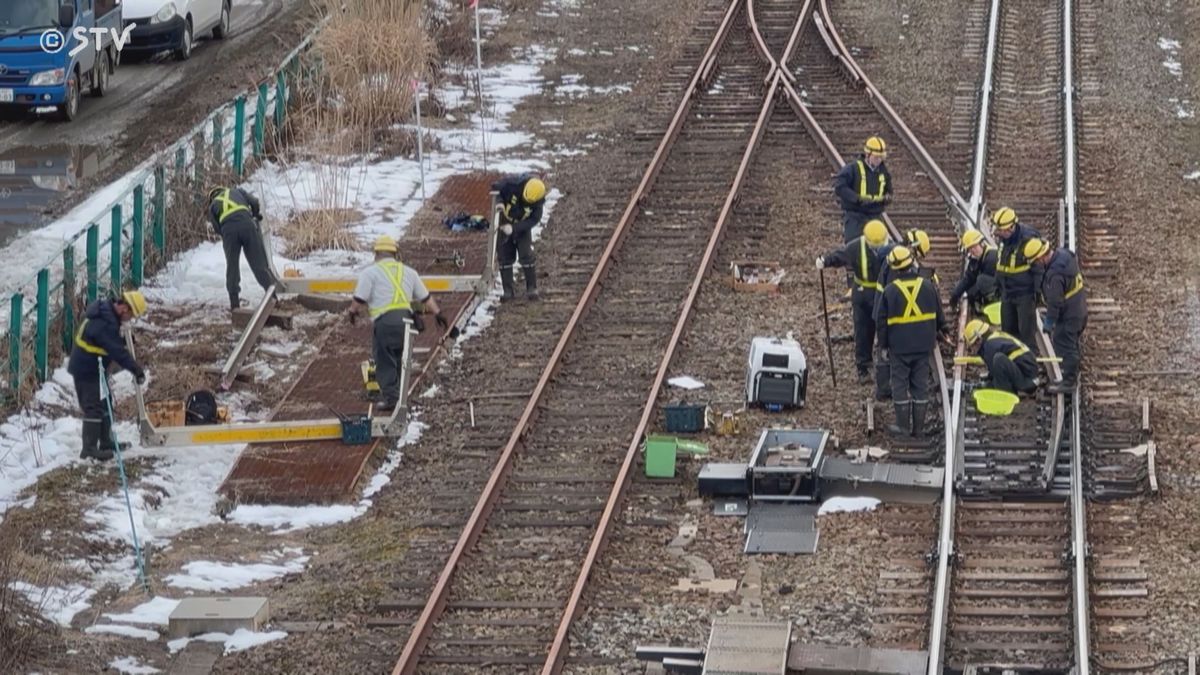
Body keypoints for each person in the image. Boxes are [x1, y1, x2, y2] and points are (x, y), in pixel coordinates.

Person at [346, 236, 450, 413]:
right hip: (407, 321)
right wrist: (438, 313)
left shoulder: (370, 273)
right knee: (402, 359)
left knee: (385, 359)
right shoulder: (409, 272)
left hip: (385, 322)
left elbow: (360, 298)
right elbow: (425, 297)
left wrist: (352, 311)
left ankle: (392, 400)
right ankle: (400, 397)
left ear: (376, 253)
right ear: (395, 253)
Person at [874, 246, 950, 437]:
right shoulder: (928, 285)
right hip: (924, 345)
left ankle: (903, 427)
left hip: (899, 347)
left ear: (894, 268)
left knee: (899, 384)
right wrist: (945, 330)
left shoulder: (890, 291)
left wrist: (883, 346)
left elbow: (881, 322)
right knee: (920, 385)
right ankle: (918, 428)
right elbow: (939, 313)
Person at [67, 291, 148, 462]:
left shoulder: (107, 314)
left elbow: (107, 342)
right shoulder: (106, 323)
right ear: (124, 308)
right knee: (93, 407)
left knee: (106, 402)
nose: (130, 319)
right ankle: (88, 449)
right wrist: (136, 370)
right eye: (131, 315)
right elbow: (117, 351)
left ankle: (105, 441)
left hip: (95, 367)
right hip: (86, 368)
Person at [816, 219, 892, 386]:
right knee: (863, 330)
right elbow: (841, 256)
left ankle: (885, 364)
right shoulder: (856, 247)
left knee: (884, 329)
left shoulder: (890, 247)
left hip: (882, 295)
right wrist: (826, 261)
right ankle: (863, 368)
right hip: (863, 294)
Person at [1025, 238, 1087, 393]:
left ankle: (1069, 382)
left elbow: (1055, 302)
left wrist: (1049, 322)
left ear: (1041, 257)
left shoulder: (1055, 276)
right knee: (1071, 343)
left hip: (1070, 315)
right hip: (1078, 308)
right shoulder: (1062, 254)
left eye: (1035, 262)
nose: (1036, 265)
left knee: (1064, 344)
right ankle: (1074, 368)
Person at [207, 186, 280, 311]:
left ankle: (234, 304)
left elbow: (217, 228)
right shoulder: (237, 191)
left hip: (229, 231)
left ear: (212, 197)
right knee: (259, 264)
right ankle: (273, 298)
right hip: (247, 225)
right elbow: (254, 202)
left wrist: (227, 233)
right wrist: (255, 214)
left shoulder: (213, 205)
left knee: (232, 267)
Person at [991, 207, 1043, 349]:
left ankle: (1029, 363)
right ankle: (1012, 363)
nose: (999, 234)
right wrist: (997, 284)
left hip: (1024, 294)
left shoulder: (1028, 239)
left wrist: (1039, 290)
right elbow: (1001, 262)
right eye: (999, 230)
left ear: (1012, 227)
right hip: (1007, 292)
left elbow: (1038, 267)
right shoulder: (1004, 239)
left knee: (1026, 333)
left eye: (1002, 231)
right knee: (1008, 332)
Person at [492, 173, 546, 301]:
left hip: (522, 227)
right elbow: (495, 188)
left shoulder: (538, 203)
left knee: (526, 254)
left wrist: (515, 228)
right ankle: (508, 291)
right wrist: (499, 203)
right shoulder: (512, 184)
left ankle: (532, 288)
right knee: (504, 256)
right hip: (504, 222)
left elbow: (534, 219)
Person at [833, 136, 893, 243]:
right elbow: (840, 186)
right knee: (854, 247)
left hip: (875, 216)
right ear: (867, 154)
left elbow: (889, 191)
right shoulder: (853, 169)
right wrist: (856, 199)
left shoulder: (884, 172)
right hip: (855, 216)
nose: (879, 160)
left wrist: (887, 198)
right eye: (876, 157)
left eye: (881, 157)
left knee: (880, 247)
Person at [963, 319, 1040, 395]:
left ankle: (1006, 396)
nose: (971, 350)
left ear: (979, 340)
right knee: (998, 364)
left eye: (971, 346)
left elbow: (996, 375)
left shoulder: (989, 347)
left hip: (1028, 381)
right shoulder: (993, 338)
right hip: (1027, 374)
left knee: (999, 360)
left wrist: (987, 386)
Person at [949, 229, 999, 313]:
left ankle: (989, 304)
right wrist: (955, 294)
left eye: (974, 247)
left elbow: (983, 283)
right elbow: (968, 278)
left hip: (1001, 291)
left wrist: (969, 294)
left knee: (981, 280)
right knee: (970, 285)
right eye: (970, 249)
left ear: (982, 244)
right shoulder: (976, 259)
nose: (973, 251)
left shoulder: (992, 257)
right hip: (993, 287)